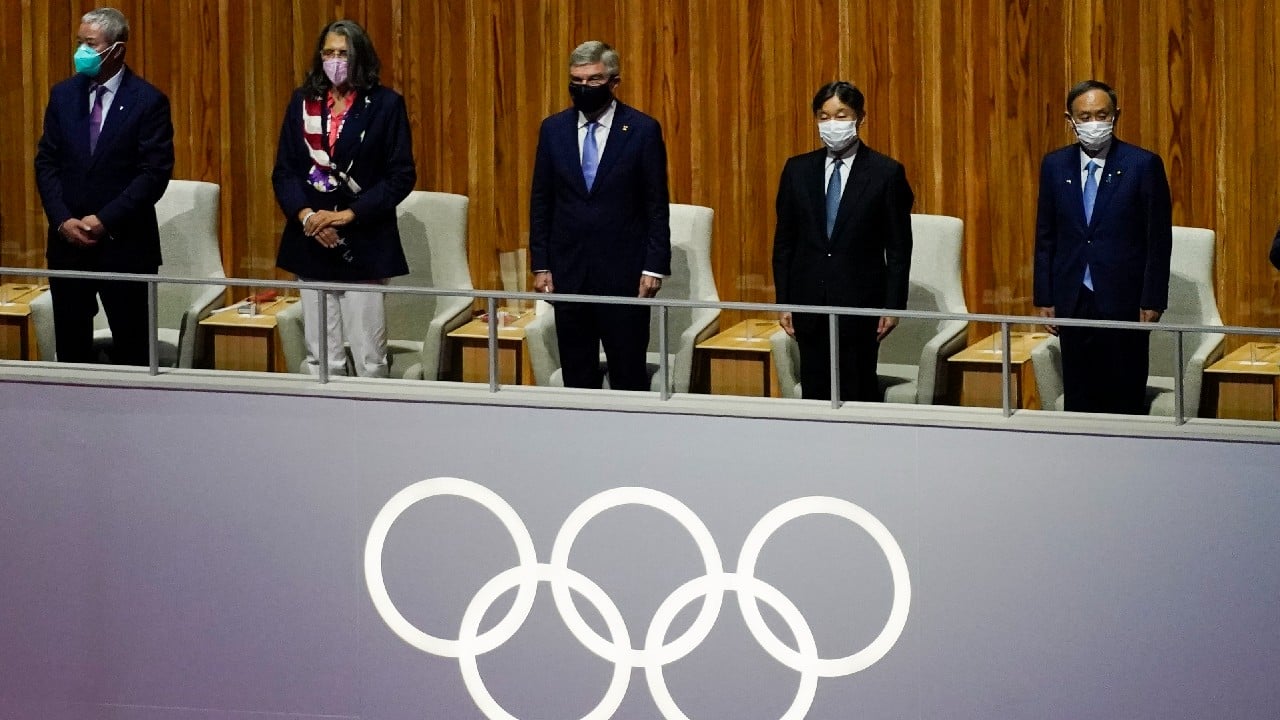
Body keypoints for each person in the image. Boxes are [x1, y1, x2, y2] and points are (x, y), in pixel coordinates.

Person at [272, 19, 415, 378]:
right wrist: (307, 217)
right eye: (328, 52)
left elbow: (401, 176)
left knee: (369, 359)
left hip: (363, 243)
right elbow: (285, 171)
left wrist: (348, 216)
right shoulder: (303, 103)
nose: (335, 60)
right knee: (321, 360)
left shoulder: (385, 105)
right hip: (311, 241)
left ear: (360, 57)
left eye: (343, 53)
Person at [34, 8, 174, 365]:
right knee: (71, 351)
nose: (81, 50)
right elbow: (47, 162)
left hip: (124, 247)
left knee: (133, 352)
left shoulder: (148, 101)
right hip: (68, 247)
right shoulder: (63, 95)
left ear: (117, 50)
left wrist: (105, 220)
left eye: (90, 44)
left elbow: (153, 175)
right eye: (79, 42)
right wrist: (62, 220)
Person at [529, 40, 671, 391]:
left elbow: (656, 204)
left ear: (614, 81)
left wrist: (653, 267)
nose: (584, 88)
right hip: (569, 273)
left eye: (593, 80)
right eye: (576, 81)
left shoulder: (641, 129)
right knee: (577, 375)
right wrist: (541, 264)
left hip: (624, 276)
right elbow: (542, 201)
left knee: (628, 374)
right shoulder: (553, 130)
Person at [1034, 80, 1173, 415]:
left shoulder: (1142, 165)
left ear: (1116, 116)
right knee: (1080, 398)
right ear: (1070, 120)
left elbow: (1158, 239)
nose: (1093, 122)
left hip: (1125, 301)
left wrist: (1152, 298)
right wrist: (1044, 296)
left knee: (1123, 397)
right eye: (1084, 116)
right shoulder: (1055, 166)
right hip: (1073, 297)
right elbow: (1045, 235)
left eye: (1101, 114)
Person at [772, 81, 914, 402]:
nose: (831, 124)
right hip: (809, 303)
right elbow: (785, 242)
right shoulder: (797, 170)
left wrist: (892, 306)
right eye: (823, 116)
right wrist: (784, 301)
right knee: (816, 394)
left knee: (857, 393)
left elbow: (898, 247)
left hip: (860, 306)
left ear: (860, 118)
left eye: (840, 115)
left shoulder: (885, 173)